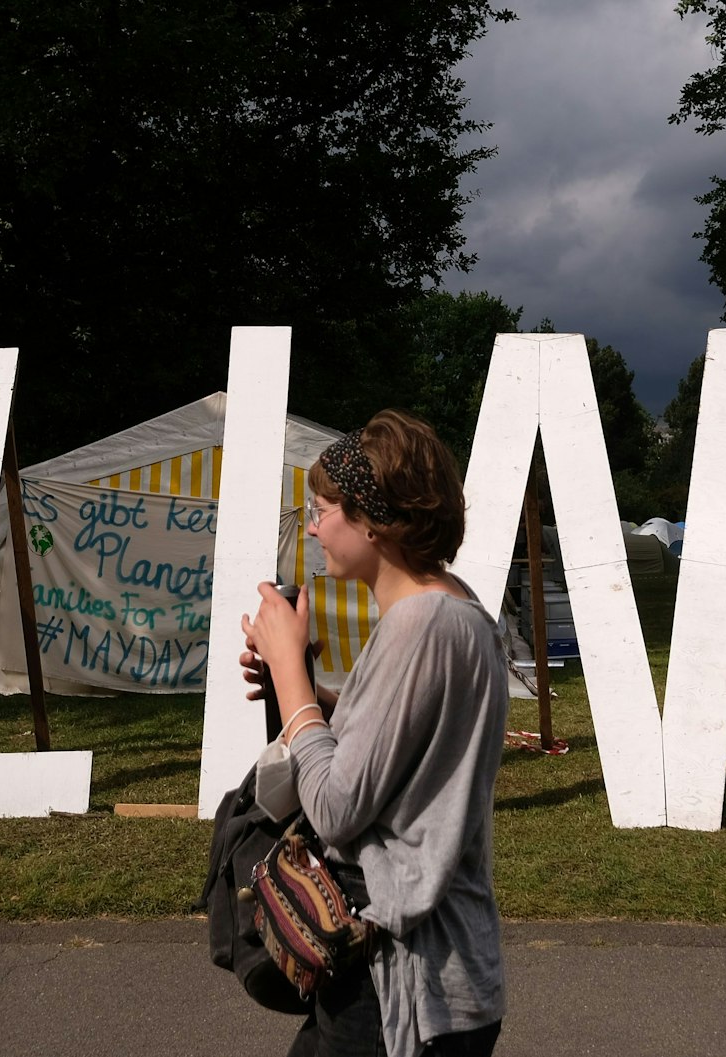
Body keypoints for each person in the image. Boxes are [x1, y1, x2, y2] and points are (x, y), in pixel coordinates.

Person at [240, 410, 508, 1057]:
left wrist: (290, 677)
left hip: (407, 986)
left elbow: (336, 809)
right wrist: (308, 691)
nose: (313, 525)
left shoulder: (423, 624)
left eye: (323, 507)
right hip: (406, 975)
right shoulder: (449, 608)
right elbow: (397, 745)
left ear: (371, 517)